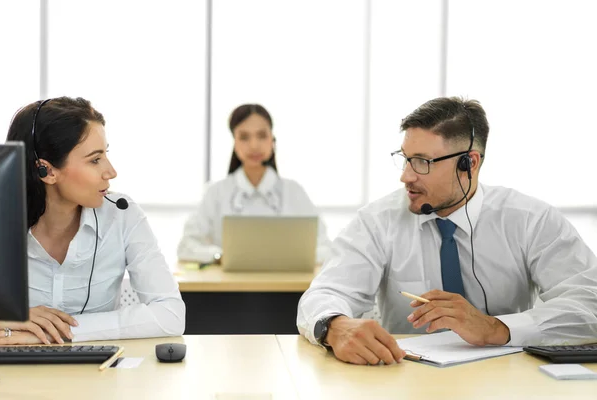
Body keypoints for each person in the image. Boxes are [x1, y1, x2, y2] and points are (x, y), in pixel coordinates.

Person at [297, 96, 597, 365]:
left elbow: (589, 302)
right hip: (403, 378)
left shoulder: (530, 219)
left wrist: (497, 328)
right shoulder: (377, 220)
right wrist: (334, 325)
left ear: (469, 163)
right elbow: (326, 292)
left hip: (508, 380)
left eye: (422, 162)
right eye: (405, 158)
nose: (406, 176)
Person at [0, 97, 185, 345]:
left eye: (105, 154)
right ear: (47, 171)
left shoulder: (122, 215)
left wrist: (51, 333)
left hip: (99, 373)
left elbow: (170, 315)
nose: (111, 172)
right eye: (95, 160)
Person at [177, 104, 331, 264]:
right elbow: (186, 246)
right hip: (227, 286)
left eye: (262, 135)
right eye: (244, 137)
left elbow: (326, 248)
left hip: (287, 286)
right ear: (234, 142)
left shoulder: (294, 192)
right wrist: (221, 256)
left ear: (272, 139)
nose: (254, 145)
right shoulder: (216, 192)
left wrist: (295, 258)